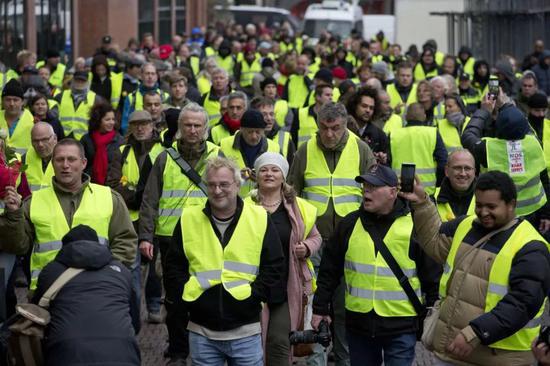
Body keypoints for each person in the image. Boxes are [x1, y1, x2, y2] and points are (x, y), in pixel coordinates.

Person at [401, 171, 550, 366]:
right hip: (452, 353)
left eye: (491, 206)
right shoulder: (466, 225)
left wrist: (476, 332)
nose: (483, 212)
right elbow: (435, 243)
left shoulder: (531, 247)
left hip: (500, 359)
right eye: (479, 205)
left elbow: (523, 302)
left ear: (512, 204)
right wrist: (421, 202)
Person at [311, 165, 439, 366]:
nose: (366, 190)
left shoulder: (414, 225)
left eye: (374, 186)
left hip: (401, 325)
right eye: (365, 185)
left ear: (392, 192)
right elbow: (329, 271)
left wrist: (432, 314)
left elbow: (431, 275)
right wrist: (320, 308)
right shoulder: (349, 224)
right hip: (359, 325)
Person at [164, 156, 286, 365]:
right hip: (201, 329)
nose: (217, 190)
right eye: (211, 185)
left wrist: (254, 297)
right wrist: (188, 300)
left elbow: (274, 266)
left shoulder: (259, 217)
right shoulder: (188, 218)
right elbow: (174, 267)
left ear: (238, 185)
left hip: (245, 330)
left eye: (224, 184)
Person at [288, 102, 377, 366]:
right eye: (324, 128)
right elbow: (292, 193)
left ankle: (344, 358)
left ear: (346, 124)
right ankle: (315, 359)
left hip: (351, 239)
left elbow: (373, 191)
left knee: (345, 303)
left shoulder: (361, 148)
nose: (329, 134)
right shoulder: (305, 149)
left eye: (335, 128)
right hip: (313, 240)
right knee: (315, 303)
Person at [138, 103, 220, 364]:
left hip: (208, 237)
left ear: (205, 128)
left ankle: (205, 348)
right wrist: (145, 237)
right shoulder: (164, 157)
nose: (193, 130)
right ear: (179, 127)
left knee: (206, 296)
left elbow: (230, 195)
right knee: (174, 300)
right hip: (171, 238)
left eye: (198, 125)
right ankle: (177, 352)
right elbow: (150, 200)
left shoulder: (218, 157)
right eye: (188, 125)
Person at [0, 138, 136, 289]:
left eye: (71, 159)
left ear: (83, 163)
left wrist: (109, 276)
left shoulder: (109, 198)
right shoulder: (33, 202)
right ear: (52, 163)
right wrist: (13, 215)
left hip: (97, 289)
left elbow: (125, 242)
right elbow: (17, 247)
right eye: (59, 160)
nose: (65, 165)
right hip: (47, 291)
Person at [245, 152, 322, 365]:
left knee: (280, 342)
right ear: (256, 175)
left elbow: (316, 237)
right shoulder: (244, 206)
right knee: (253, 343)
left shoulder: (299, 207)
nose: (269, 174)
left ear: (283, 176)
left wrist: (306, 247)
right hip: (251, 286)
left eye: (275, 169)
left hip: (288, 287)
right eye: (264, 169)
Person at [32, 225, 140, 366]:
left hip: (67, 354)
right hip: (123, 353)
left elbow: (37, 316)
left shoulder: (51, 272)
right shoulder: (121, 271)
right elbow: (135, 323)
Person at [107, 109, 165, 324]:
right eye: (136, 124)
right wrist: (140, 199)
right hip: (130, 218)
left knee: (156, 268)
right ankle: (133, 311)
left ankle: (153, 305)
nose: (141, 128)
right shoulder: (120, 150)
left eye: (145, 123)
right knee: (132, 267)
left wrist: (149, 201)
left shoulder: (163, 149)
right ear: (130, 127)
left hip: (157, 217)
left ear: (153, 125)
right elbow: (112, 184)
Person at [462, 99, 550, 229]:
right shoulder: (535, 143)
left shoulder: (487, 149)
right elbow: (545, 180)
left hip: (499, 216)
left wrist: (484, 111)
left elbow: (468, 135)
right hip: (532, 213)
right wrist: (546, 214)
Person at [389, 103, 448, 196]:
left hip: (399, 191)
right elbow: (443, 162)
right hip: (426, 191)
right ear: (424, 116)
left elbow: (387, 163)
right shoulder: (432, 133)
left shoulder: (394, 135)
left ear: (406, 117)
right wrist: (438, 183)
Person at [219, 109, 281, 197]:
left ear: (263, 130)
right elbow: (216, 177)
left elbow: (282, 180)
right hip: (233, 203)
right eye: (250, 132)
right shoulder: (224, 145)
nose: (254, 136)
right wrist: (236, 177)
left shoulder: (275, 148)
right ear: (241, 129)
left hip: (263, 204)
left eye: (258, 132)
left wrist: (262, 179)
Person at [80, 102, 123, 185]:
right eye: (107, 120)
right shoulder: (86, 139)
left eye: (113, 119)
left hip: (112, 185)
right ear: (98, 121)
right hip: (89, 183)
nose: (112, 123)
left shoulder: (119, 140)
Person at [121, 62, 168, 134]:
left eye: (153, 74)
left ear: (156, 76)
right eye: (147, 73)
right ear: (141, 76)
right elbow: (125, 125)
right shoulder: (131, 98)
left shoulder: (165, 96)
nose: (150, 77)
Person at [346, 86, 389, 163]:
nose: (368, 110)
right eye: (364, 106)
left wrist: (382, 159)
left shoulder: (380, 135)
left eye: (371, 108)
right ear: (355, 106)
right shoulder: (343, 130)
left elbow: (387, 165)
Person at [56, 70, 100, 140]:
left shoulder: (96, 99)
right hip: (62, 137)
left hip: (84, 139)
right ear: (72, 80)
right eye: (77, 80)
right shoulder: (60, 96)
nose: (80, 82)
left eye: (83, 81)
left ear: (87, 82)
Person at [434, 149, 476, 222]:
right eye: (457, 168)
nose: (463, 173)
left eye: (467, 168)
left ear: (474, 172)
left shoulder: (487, 199)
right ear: (446, 171)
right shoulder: (432, 199)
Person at [253, 97, 295, 165]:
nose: (269, 118)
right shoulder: (249, 137)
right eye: (264, 114)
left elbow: (292, 167)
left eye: (271, 114)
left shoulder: (285, 137)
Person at [291, 84, 333, 148]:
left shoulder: (334, 115)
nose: (331, 98)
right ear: (318, 97)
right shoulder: (300, 113)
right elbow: (293, 136)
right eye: (327, 95)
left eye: (331, 95)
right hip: (304, 154)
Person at [0, 79, 35, 154]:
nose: (11, 103)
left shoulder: (33, 121)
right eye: (8, 100)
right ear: (2, 101)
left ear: (22, 102)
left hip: (24, 164)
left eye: (15, 100)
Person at [23, 122, 57, 192]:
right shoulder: (23, 160)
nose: (40, 144)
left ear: (55, 138)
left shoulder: (66, 159)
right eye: (35, 141)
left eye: (45, 139)